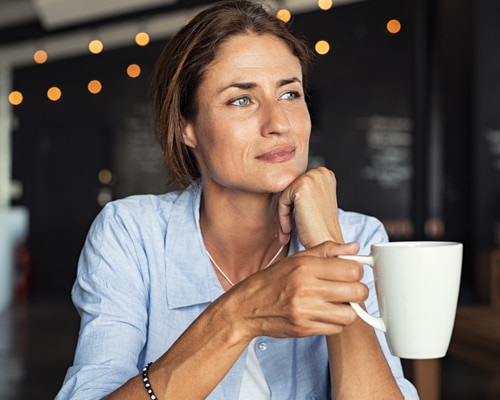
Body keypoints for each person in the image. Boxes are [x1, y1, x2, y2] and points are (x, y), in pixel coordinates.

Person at [56, 1, 419, 399]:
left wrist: (329, 248)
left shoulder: (358, 236)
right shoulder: (131, 234)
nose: (279, 123)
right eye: (241, 100)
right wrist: (239, 315)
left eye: (290, 94)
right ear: (186, 127)